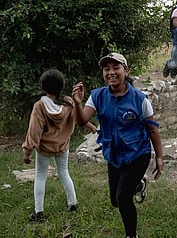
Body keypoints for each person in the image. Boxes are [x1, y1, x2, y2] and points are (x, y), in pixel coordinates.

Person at [72, 53, 164, 238]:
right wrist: (77, 103)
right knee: (115, 200)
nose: (111, 72)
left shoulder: (140, 99)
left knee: (123, 197)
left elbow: (152, 129)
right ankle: (138, 184)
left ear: (126, 71)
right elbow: (82, 120)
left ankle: (131, 235)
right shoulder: (97, 96)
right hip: (113, 154)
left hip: (138, 154)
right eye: (107, 69)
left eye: (116, 68)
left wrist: (160, 157)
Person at [22, 69, 96, 223]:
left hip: (44, 149)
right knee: (64, 173)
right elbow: (78, 118)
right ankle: (73, 203)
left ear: (43, 87)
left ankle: (39, 213)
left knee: (40, 176)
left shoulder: (40, 106)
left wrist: (27, 151)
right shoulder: (69, 102)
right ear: (61, 86)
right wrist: (90, 126)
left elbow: (34, 131)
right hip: (63, 146)